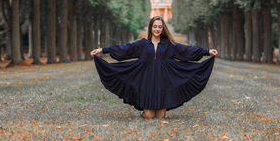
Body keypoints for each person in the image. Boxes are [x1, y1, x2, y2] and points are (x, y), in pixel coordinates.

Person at [90, 16, 218, 119]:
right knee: (150, 116)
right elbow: (124, 49)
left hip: (163, 82)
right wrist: (102, 50)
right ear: (151, 27)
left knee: (161, 116)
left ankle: (156, 108)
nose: (157, 29)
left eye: (160, 27)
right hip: (147, 82)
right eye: (155, 26)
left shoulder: (169, 45)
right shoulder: (142, 44)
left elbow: (187, 50)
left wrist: (207, 51)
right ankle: (144, 112)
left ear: (163, 29)